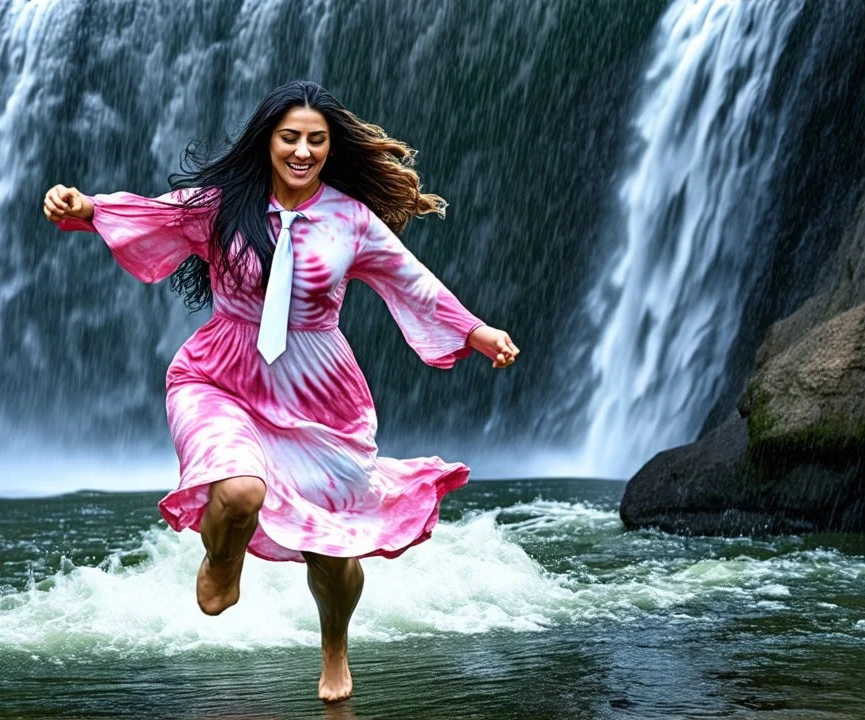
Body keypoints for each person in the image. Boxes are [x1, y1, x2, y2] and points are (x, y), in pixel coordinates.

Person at [42, 80, 519, 703]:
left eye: (315, 141)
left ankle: (335, 648)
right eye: (289, 137)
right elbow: (152, 215)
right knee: (239, 490)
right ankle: (222, 561)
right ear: (267, 140)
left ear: (329, 146)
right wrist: (85, 208)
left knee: (335, 552)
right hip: (218, 375)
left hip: (317, 396)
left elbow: (413, 282)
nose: (302, 151)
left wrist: (476, 331)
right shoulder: (220, 204)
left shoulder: (351, 220)